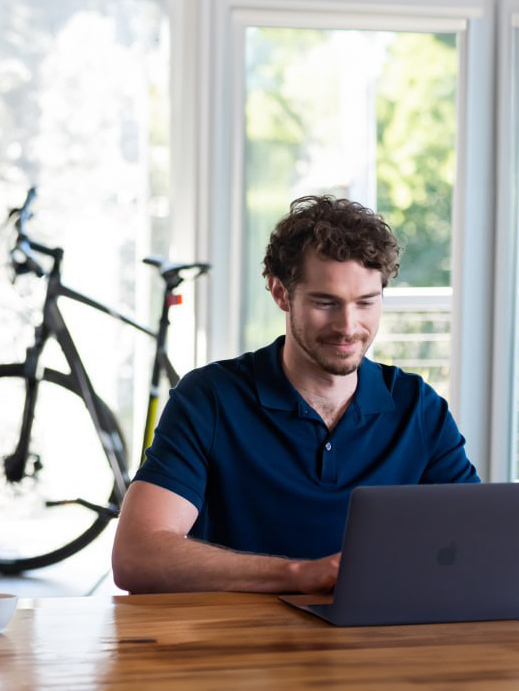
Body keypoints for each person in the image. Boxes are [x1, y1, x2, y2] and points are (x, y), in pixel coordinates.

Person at [111, 195, 480, 594]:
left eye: (366, 303)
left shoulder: (418, 408)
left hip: (375, 643)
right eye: (326, 303)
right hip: (239, 644)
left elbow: (479, 543)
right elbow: (137, 557)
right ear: (280, 293)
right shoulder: (209, 400)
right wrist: (300, 575)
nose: (348, 326)